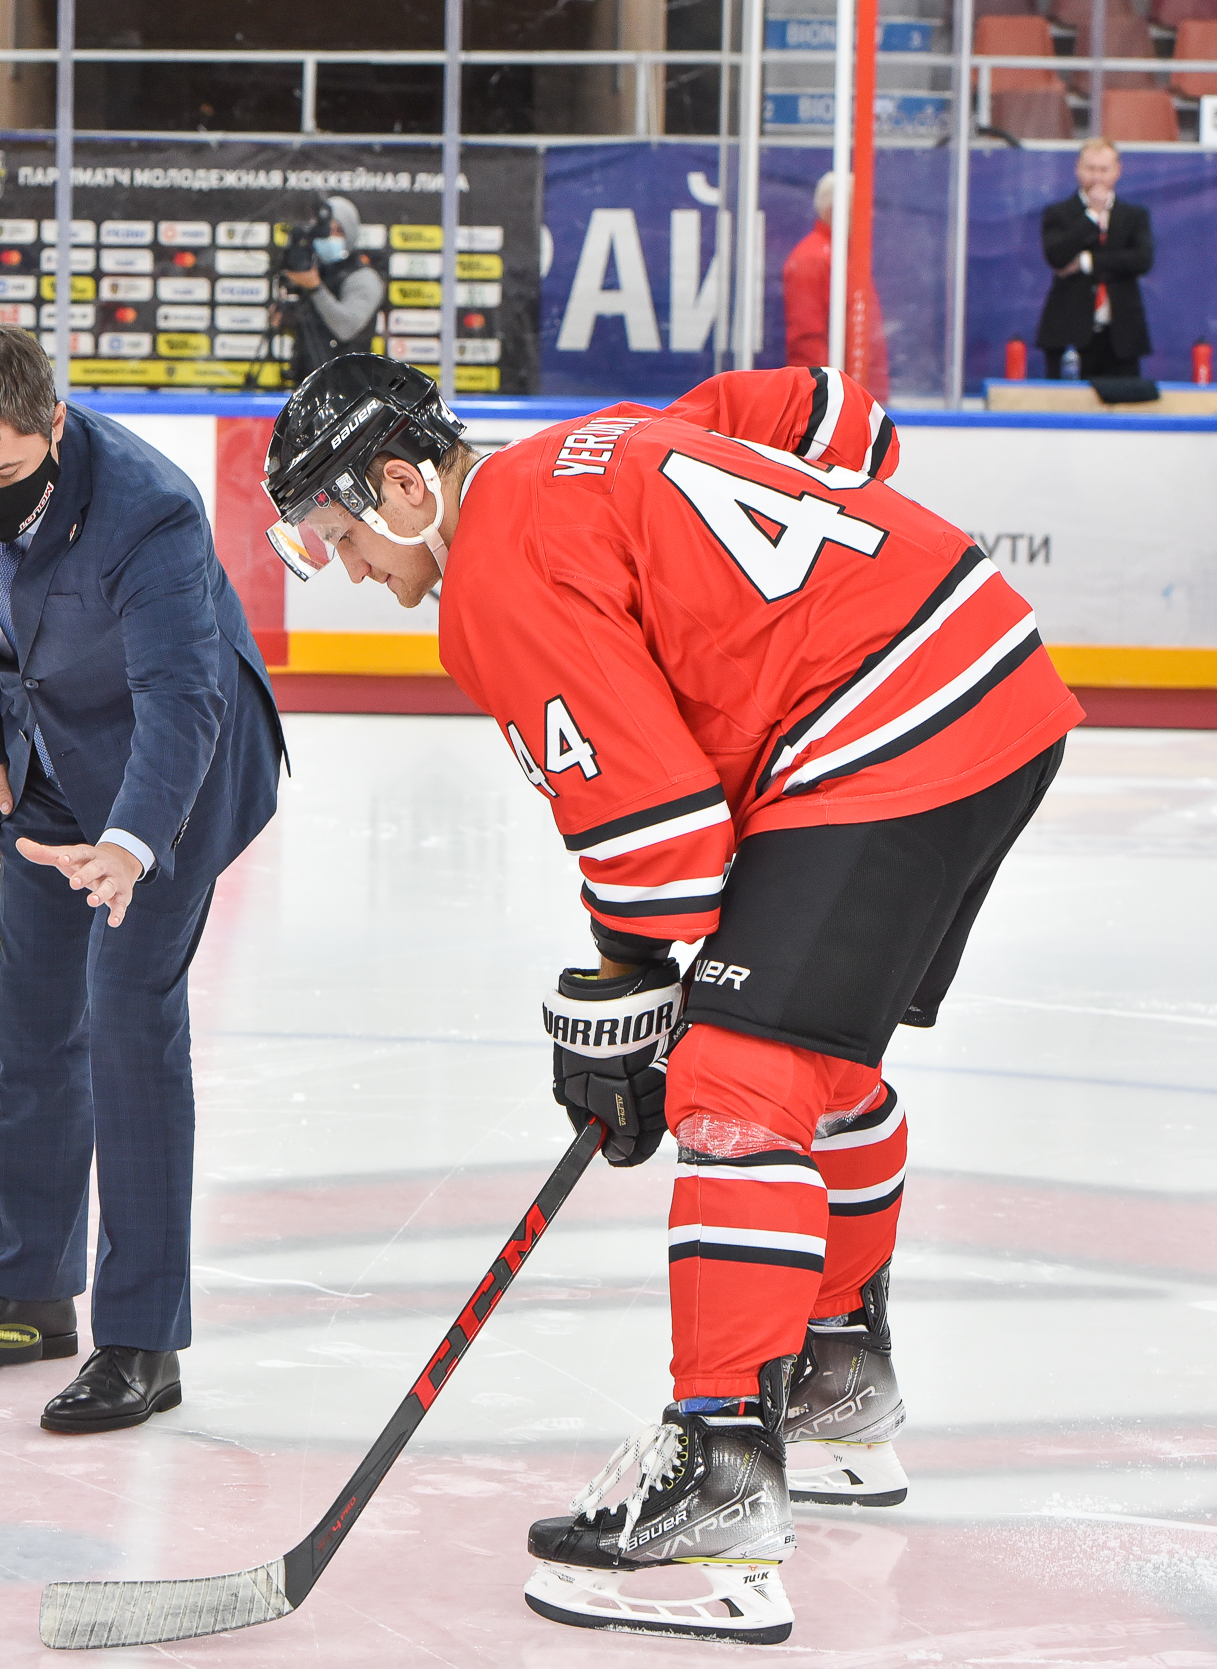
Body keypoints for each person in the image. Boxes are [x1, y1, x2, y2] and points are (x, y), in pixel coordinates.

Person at [263, 354, 1079, 1644]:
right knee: (818, 1064)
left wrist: (629, 999)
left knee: (736, 1085)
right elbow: (833, 418)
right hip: (988, 679)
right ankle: (837, 1378)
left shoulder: (490, 576)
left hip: (879, 735)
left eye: (337, 527)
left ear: (405, 484)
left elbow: (660, 837)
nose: (346, 563)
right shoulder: (591, 439)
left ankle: (722, 1467)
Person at [0, 322, 285, 1434]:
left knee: (125, 1018)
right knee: (33, 1018)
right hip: (41, 755)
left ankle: (142, 1339)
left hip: (173, 777)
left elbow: (183, 699)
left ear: (54, 428)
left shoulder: (147, 508)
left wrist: (132, 840)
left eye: (6, 475)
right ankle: (28, 1293)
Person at [1039, 136, 1153, 380]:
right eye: (1090, 169)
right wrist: (1092, 214)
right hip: (1069, 331)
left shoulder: (1134, 216)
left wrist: (1086, 262)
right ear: (1078, 169)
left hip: (1120, 334)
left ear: (1117, 171)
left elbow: (1142, 259)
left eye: (1104, 169)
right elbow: (1057, 256)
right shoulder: (1059, 213)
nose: (1097, 177)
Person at [781, 171, 888, 401]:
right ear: (835, 211)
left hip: (858, 400)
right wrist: (825, 402)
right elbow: (807, 343)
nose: (870, 214)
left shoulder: (844, 257)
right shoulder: (812, 259)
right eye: (860, 207)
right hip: (837, 404)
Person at [276, 194, 385, 384]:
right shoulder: (315, 269)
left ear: (350, 233)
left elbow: (345, 327)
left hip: (349, 388)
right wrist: (284, 314)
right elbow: (312, 323)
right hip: (307, 384)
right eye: (324, 231)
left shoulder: (364, 278)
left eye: (337, 231)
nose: (329, 238)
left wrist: (315, 288)